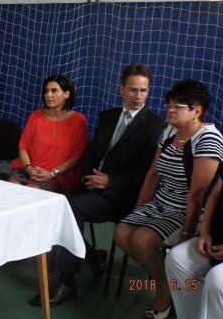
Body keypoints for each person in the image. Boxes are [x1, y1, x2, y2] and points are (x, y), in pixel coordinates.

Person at [29, 63, 164, 307]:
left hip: (122, 195)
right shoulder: (108, 116)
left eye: (143, 90)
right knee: (56, 203)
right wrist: (89, 177)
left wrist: (110, 181)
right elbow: (91, 151)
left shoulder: (155, 126)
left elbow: (146, 173)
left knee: (72, 209)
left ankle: (67, 282)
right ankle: (91, 254)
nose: (138, 96)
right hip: (92, 184)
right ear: (121, 89)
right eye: (133, 89)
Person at [114, 79, 223, 319]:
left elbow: (198, 195)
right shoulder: (169, 131)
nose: (170, 110)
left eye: (178, 107)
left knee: (142, 240)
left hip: (187, 212)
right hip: (161, 204)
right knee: (122, 232)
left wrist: (186, 233)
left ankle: (165, 292)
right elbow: (153, 174)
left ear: (197, 111)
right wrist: (138, 211)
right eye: (169, 105)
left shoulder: (208, 138)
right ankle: (169, 284)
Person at [165, 158, 223, 319]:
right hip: (217, 240)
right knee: (176, 258)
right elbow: (216, 193)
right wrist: (205, 232)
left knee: (218, 280)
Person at [9, 74, 87, 193]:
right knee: (10, 189)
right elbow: (23, 147)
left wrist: (52, 173)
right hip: (28, 168)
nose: (48, 95)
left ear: (67, 94)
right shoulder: (35, 116)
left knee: (32, 193)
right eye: (46, 91)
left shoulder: (79, 121)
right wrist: (28, 168)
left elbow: (77, 156)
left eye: (54, 90)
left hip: (57, 175)